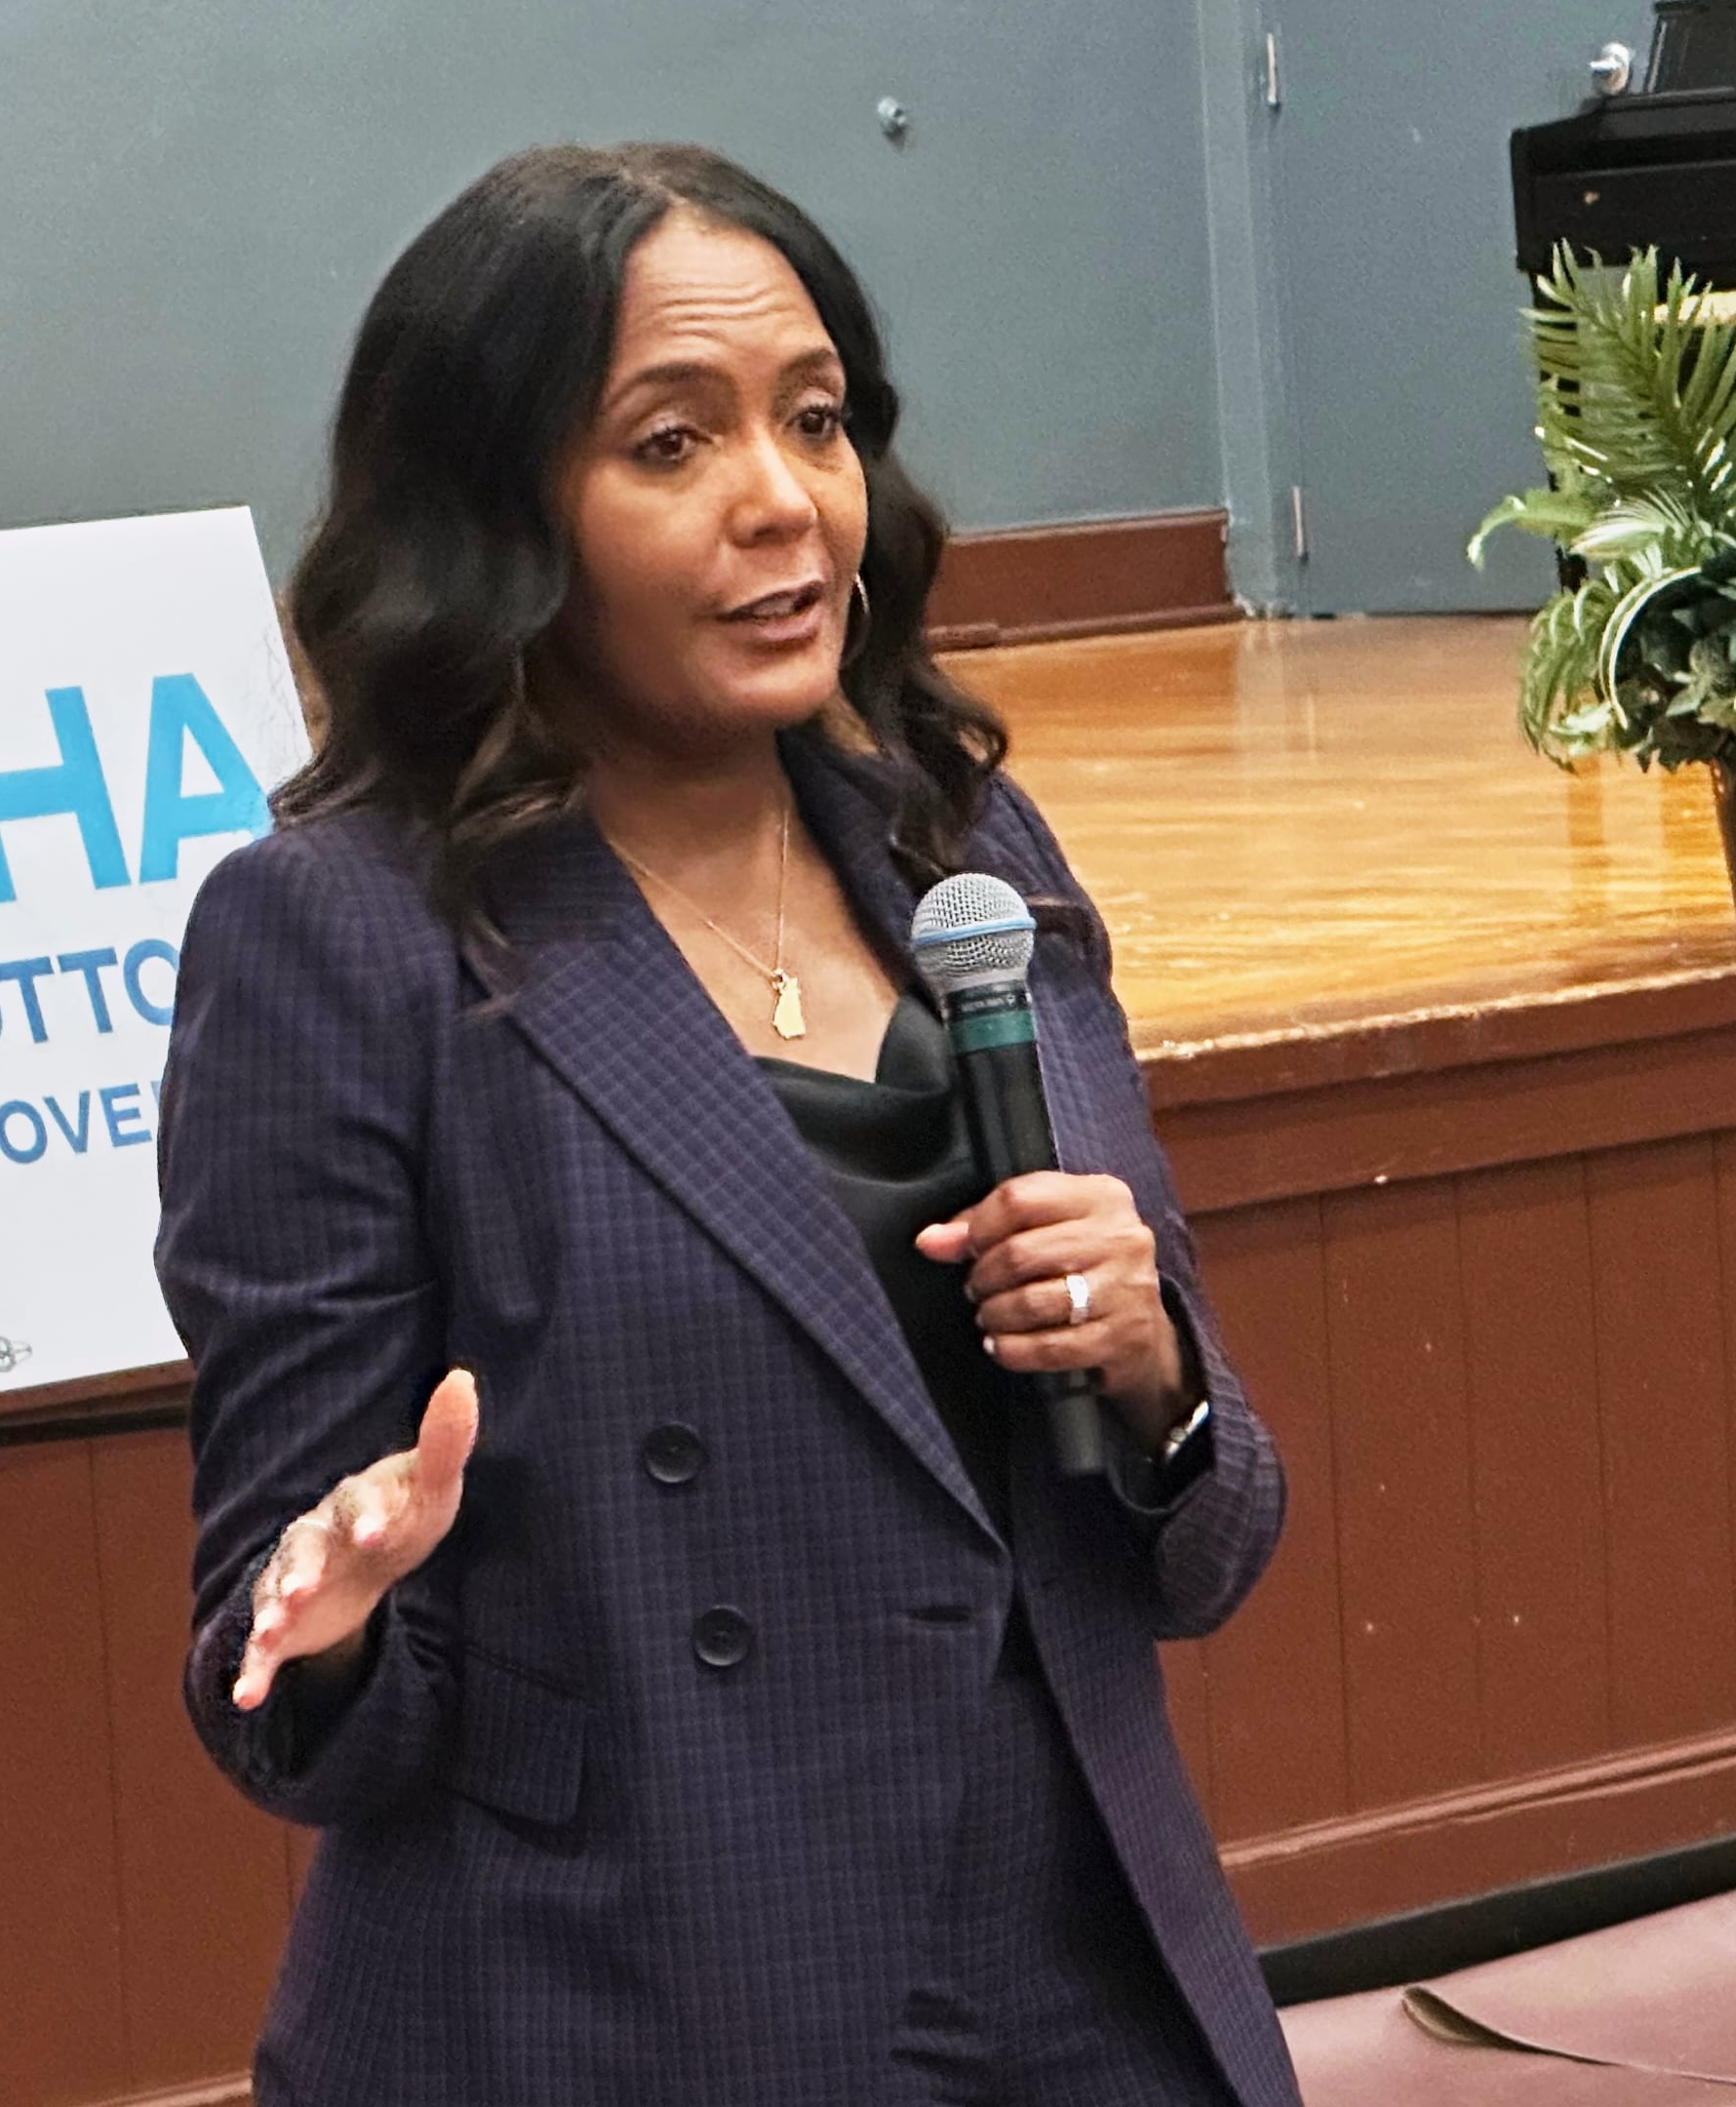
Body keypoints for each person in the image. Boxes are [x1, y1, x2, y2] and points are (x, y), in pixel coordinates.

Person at [156, 141, 1296, 2107]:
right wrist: (331, 1609)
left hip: (1074, 1972)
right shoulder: (339, 937)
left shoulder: (964, 855)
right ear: (504, 518)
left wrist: (1161, 1374)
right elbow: (294, 1708)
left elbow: (1202, 1550)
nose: (786, 502)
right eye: (671, 446)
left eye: (819, 421)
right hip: (631, 2005)